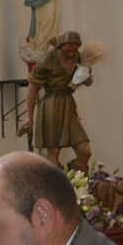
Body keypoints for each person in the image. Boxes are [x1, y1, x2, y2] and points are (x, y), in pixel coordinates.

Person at [23, 30, 93, 170]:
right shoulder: (48, 59)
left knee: (85, 151)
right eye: (69, 47)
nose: (72, 51)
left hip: (68, 105)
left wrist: (85, 75)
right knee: (53, 153)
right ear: (61, 45)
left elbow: (89, 82)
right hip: (51, 105)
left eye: (75, 47)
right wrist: (29, 117)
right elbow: (33, 89)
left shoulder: (78, 58)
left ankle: (69, 178)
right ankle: (58, 182)